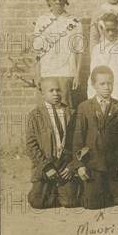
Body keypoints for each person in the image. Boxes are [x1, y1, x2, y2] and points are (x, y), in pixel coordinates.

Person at [72, 66, 118, 209]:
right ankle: (96, 189)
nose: (107, 87)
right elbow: (78, 138)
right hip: (94, 163)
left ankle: (110, 189)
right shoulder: (84, 107)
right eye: (102, 84)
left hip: (115, 164)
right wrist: (80, 166)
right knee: (92, 204)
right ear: (93, 85)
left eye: (110, 83)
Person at [26, 77, 79, 209]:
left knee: (70, 202)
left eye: (58, 90)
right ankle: (47, 188)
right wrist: (46, 167)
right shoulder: (35, 116)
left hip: (65, 165)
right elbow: (31, 145)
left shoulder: (72, 113)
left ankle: (64, 188)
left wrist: (71, 167)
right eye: (51, 91)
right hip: (47, 165)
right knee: (38, 202)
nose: (56, 93)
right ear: (43, 93)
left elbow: (79, 143)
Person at [33, 0, 84, 109]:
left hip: (67, 73)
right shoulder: (42, 20)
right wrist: (38, 75)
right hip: (47, 73)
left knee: (67, 110)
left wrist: (77, 75)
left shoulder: (74, 21)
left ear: (65, 0)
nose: (58, 2)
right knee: (47, 112)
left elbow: (80, 50)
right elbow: (37, 51)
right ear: (48, 1)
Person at [88, 13, 118, 105]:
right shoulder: (97, 50)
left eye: (113, 29)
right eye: (107, 30)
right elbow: (93, 76)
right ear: (102, 30)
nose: (111, 33)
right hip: (103, 97)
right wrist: (92, 98)